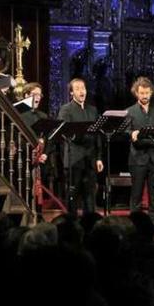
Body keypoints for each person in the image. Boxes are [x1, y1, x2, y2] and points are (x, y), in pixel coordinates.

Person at [125, 77, 154, 229]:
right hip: (137, 159)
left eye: (147, 93)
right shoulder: (129, 111)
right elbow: (126, 132)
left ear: (151, 93)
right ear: (136, 93)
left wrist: (143, 136)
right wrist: (132, 134)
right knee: (136, 195)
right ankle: (134, 227)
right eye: (141, 93)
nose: (144, 95)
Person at [56, 78, 104, 214]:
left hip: (90, 160)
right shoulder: (66, 109)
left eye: (83, 88)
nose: (81, 91)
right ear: (71, 93)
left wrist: (99, 157)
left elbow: (98, 135)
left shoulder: (93, 110)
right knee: (73, 196)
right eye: (77, 88)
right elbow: (65, 133)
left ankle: (89, 226)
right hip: (74, 159)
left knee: (90, 196)